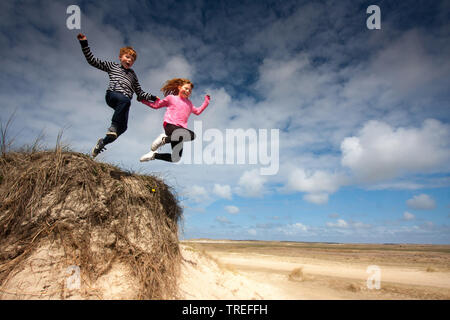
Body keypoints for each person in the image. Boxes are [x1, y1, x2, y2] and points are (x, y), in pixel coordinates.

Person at [76, 33, 158, 157]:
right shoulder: (113, 66)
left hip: (123, 102)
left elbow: (140, 93)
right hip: (112, 95)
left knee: (123, 127)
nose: (129, 60)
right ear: (120, 57)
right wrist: (84, 44)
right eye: (127, 57)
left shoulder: (133, 75)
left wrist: (152, 97)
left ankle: (102, 143)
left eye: (132, 59)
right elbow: (92, 61)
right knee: (125, 101)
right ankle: (113, 127)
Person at [139, 78, 210, 163]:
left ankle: (153, 155)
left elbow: (198, 111)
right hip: (170, 125)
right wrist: (143, 101)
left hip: (180, 132)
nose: (188, 91)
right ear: (179, 87)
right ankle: (164, 139)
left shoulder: (190, 104)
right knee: (192, 135)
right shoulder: (171, 98)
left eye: (190, 91)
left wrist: (206, 102)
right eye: (186, 88)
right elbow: (156, 105)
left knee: (176, 158)